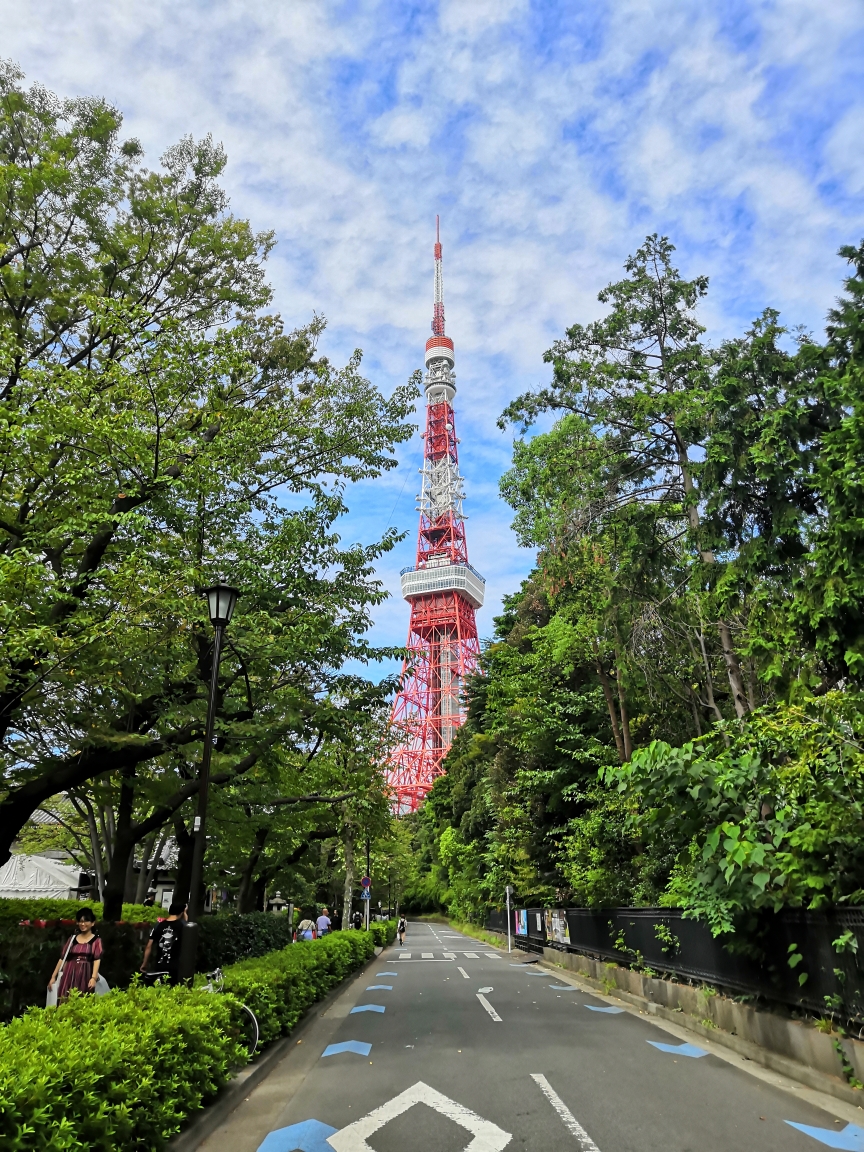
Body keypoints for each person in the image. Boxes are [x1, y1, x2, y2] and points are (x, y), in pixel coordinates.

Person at [48, 907, 103, 1003]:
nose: (82, 924)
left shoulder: (96, 941)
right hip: (69, 973)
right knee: (65, 998)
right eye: (80, 921)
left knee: (83, 1000)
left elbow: (96, 959)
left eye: (86, 921)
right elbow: (62, 958)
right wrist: (53, 977)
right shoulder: (72, 939)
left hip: (85, 974)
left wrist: (93, 978)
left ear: (93, 923)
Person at [140, 901, 188, 984]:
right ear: (181, 912)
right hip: (176, 967)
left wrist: (144, 964)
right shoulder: (183, 926)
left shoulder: (158, 926)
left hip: (159, 965)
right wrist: (185, 914)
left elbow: (149, 946)